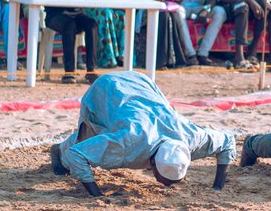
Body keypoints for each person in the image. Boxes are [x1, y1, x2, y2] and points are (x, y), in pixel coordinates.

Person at [51, 71, 235, 197]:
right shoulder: (127, 143)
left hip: (142, 83)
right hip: (107, 89)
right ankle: (58, 151)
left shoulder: (193, 138)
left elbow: (228, 141)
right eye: (163, 180)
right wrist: (96, 195)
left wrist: (217, 187)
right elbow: (77, 155)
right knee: (86, 142)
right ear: (153, 164)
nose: (164, 186)